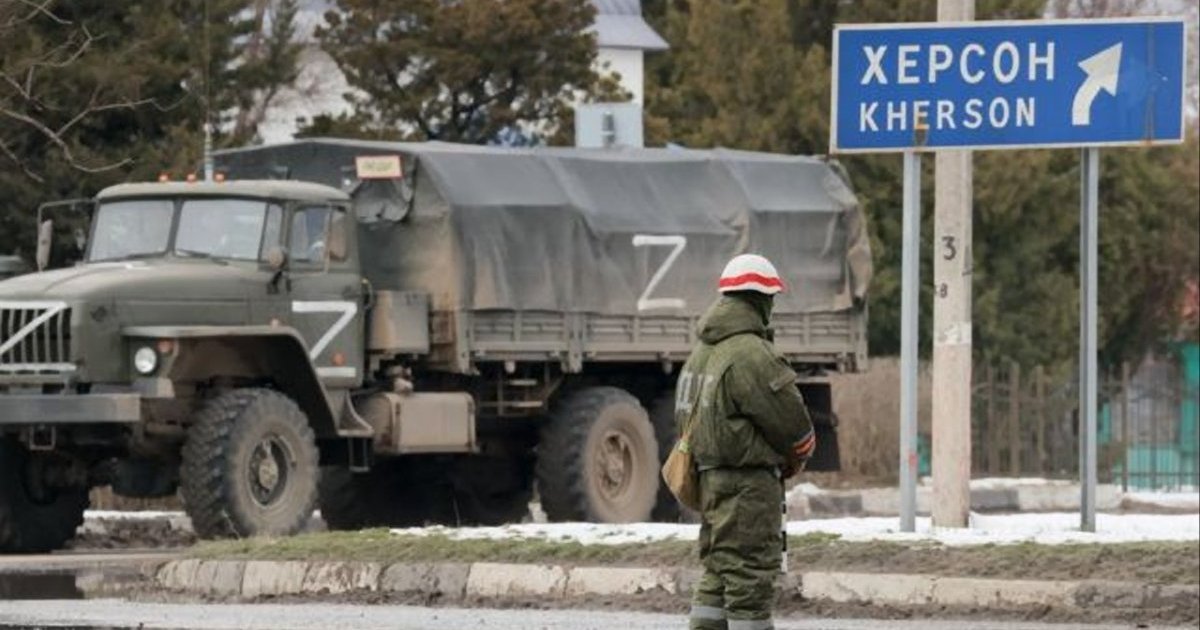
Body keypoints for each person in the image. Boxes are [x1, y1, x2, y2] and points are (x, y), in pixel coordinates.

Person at [676, 253, 816, 630]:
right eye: (770, 299)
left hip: (709, 481)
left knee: (718, 569)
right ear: (759, 300)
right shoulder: (752, 355)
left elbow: (683, 422)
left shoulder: (699, 355)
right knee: (749, 576)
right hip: (748, 487)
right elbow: (793, 425)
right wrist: (797, 455)